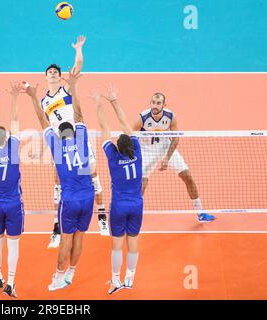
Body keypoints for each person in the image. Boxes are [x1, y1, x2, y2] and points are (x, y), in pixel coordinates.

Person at [29, 35, 109, 249]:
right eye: (50, 72)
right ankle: (56, 227)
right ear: (46, 77)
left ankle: (102, 218)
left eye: (56, 72)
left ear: (59, 76)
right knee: (58, 183)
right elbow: (44, 122)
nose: (53, 74)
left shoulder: (66, 90)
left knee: (92, 175)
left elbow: (78, 65)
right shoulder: (44, 100)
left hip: (79, 138)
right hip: (59, 144)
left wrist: (78, 49)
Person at [25, 68, 95, 291]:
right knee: (79, 238)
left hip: (70, 200)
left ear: (60, 134)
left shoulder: (55, 147)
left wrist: (33, 97)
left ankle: (58, 276)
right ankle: (72, 273)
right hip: (88, 197)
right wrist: (73, 86)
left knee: (66, 239)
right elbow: (79, 114)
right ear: (74, 130)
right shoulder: (82, 138)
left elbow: (43, 121)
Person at [90, 85, 143, 294]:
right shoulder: (137, 152)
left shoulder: (113, 156)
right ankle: (130, 278)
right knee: (133, 243)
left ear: (117, 147)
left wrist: (98, 103)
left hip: (119, 207)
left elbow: (105, 128)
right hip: (137, 205)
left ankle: (115, 280)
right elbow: (124, 123)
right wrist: (114, 101)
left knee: (117, 245)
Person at [134, 93, 215, 222]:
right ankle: (134, 215)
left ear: (164, 105)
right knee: (141, 185)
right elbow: (132, 138)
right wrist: (136, 157)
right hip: (146, 151)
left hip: (165, 148)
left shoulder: (170, 117)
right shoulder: (142, 118)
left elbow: (175, 138)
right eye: (153, 102)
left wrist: (167, 158)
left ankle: (201, 212)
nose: (155, 105)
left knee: (187, 176)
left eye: (158, 103)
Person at [0, 82, 25, 298]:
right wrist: (15, 97)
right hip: (13, 205)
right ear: (7, 138)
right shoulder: (14, 150)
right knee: (13, 244)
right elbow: (15, 121)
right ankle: (10, 283)